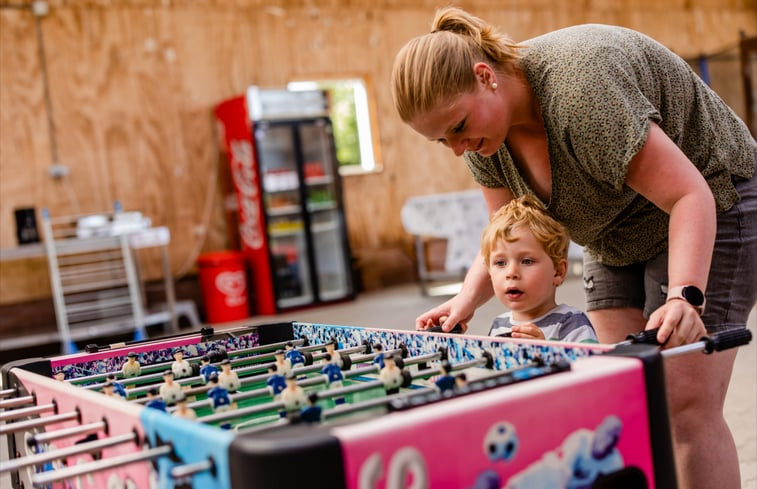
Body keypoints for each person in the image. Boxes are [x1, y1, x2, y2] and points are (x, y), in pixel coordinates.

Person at [391, 7, 756, 489]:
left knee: (682, 405)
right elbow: (504, 231)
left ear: (485, 76)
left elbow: (690, 194)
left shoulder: (580, 91)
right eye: (443, 141)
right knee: (620, 392)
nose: (458, 148)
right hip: (611, 233)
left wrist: (684, 294)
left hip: (710, 201)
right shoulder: (485, 141)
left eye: (458, 127)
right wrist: (464, 301)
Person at [482, 196, 598, 343]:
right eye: (500, 263)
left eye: (527, 261)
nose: (511, 273)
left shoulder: (572, 324)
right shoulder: (499, 326)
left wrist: (547, 350)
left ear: (558, 271)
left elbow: (590, 365)